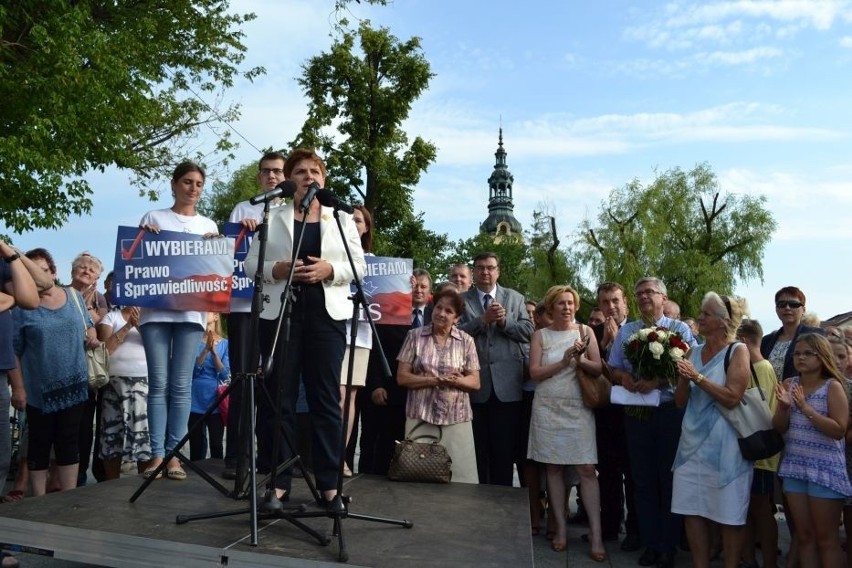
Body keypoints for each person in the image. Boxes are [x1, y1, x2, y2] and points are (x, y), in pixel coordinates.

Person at [244, 148, 365, 506]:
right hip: (282, 313)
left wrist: (330, 270)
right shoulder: (273, 214)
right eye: (300, 171)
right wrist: (276, 270)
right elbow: (252, 265)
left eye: (315, 171)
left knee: (325, 398)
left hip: (326, 313)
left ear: (324, 179)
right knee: (278, 395)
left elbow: (358, 267)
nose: (308, 176)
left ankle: (329, 484)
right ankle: (279, 481)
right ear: (289, 179)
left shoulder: (341, 218)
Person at [138, 161, 220, 481]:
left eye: (199, 183)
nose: (193, 188)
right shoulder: (153, 217)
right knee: (159, 383)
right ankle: (157, 454)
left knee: (181, 385)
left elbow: (215, 272)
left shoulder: (208, 224)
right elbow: (138, 261)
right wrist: (144, 239)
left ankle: (175, 456)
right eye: (187, 181)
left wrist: (217, 248)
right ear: (174, 184)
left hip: (191, 313)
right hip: (156, 311)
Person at [608, 277, 697, 568]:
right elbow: (614, 368)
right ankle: (650, 543)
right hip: (636, 412)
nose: (644, 296)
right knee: (642, 479)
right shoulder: (629, 331)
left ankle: (668, 545)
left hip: (670, 411)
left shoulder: (679, 329)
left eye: (649, 292)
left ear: (663, 296)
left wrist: (658, 380)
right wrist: (626, 379)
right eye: (639, 293)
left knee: (668, 479)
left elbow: (690, 367)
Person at [671, 293, 751, 568]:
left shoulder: (738, 351)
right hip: (691, 446)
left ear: (722, 321)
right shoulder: (692, 351)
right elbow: (680, 402)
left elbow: (732, 397)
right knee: (691, 510)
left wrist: (697, 377)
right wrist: (683, 379)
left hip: (726, 448)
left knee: (729, 515)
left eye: (706, 314)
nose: (700, 318)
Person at [222, 151, 286, 480]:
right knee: (242, 380)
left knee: (274, 384)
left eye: (278, 171)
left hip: (277, 307)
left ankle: (271, 457)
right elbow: (228, 249)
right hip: (244, 308)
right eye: (267, 172)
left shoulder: (293, 210)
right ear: (259, 177)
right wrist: (241, 231)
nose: (272, 177)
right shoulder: (244, 208)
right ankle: (236, 456)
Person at [528, 285, 605, 559]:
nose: (567, 307)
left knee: (586, 468)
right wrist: (563, 361)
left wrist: (581, 358)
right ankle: (559, 529)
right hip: (548, 407)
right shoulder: (540, 336)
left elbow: (598, 367)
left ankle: (596, 535)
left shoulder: (586, 332)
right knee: (554, 469)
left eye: (570, 303)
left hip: (579, 409)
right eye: (561, 303)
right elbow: (535, 372)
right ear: (551, 307)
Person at [11, 248, 97, 495]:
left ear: (53, 272)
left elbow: (88, 327)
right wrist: (18, 387)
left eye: (43, 270)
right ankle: (39, 499)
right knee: (39, 442)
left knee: (69, 442)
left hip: (75, 385)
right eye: (30, 272)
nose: (37, 277)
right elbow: (14, 351)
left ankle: (67, 498)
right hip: (39, 390)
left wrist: (92, 336)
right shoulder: (22, 307)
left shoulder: (73, 296)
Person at [773, 333, 851, 568]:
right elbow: (779, 426)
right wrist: (784, 408)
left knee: (826, 539)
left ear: (821, 356)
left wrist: (806, 408)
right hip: (795, 466)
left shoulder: (833, 387)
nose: (801, 358)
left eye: (808, 353)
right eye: (797, 353)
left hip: (825, 469)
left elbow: (838, 430)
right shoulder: (789, 384)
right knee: (804, 537)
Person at [457, 252, 534, 486]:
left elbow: (528, 332)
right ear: (474, 272)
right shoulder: (462, 300)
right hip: (475, 386)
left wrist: (504, 322)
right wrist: (483, 320)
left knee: (503, 454)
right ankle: (479, 506)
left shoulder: (515, 298)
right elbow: (455, 335)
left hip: (508, 387)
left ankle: (503, 505)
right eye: (480, 268)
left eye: (490, 267)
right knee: (478, 452)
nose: (485, 272)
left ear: (498, 271)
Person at [396, 287, 480, 483]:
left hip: (457, 419)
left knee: (461, 482)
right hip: (420, 417)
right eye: (439, 308)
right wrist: (434, 380)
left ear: (457, 318)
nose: (442, 313)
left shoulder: (466, 341)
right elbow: (402, 378)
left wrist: (456, 380)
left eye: (449, 311)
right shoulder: (414, 336)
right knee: (417, 476)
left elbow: (475, 382)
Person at [359, 269, 431, 475]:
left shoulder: (436, 315)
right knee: (379, 444)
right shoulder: (388, 313)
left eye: (423, 286)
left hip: (421, 395)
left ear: (429, 291)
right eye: (414, 285)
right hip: (389, 391)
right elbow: (374, 350)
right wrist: (376, 385)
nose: (418, 290)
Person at [590, 282, 639, 550]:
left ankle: (635, 530)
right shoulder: (593, 332)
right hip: (604, 410)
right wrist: (605, 342)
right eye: (605, 302)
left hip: (633, 411)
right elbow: (588, 371)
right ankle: (609, 526)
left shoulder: (639, 331)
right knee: (606, 472)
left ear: (625, 303)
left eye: (615, 301)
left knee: (633, 474)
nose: (611, 307)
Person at [738, 319, 781, 568]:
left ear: (743, 342)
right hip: (749, 450)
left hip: (760, 452)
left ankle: (769, 561)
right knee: (748, 509)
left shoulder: (762, 367)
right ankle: (749, 558)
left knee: (761, 508)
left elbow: (760, 409)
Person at [339, 204, 374, 477]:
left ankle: (339, 456)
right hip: (332, 331)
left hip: (360, 337)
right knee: (332, 395)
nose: (354, 223)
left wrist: (401, 289)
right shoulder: (332, 255)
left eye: (359, 220)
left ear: (366, 228)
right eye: (349, 219)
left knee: (348, 397)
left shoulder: (376, 264)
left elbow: (387, 304)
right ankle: (329, 454)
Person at [96, 305, 151, 479]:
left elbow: (157, 349)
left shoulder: (151, 318)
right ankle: (111, 483)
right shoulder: (111, 318)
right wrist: (127, 326)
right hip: (114, 385)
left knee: (144, 435)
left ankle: (144, 482)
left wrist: (140, 325)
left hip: (144, 385)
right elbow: (104, 351)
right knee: (112, 435)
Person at [69, 251, 109, 486]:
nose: (86, 271)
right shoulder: (61, 292)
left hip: (85, 373)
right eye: (82, 267)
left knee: (83, 425)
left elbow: (97, 322)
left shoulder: (99, 299)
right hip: (59, 366)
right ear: (73, 270)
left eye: (91, 269)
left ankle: (80, 473)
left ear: (96, 278)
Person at [187, 312, 230, 461]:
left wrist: (214, 353)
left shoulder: (225, 344)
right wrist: (205, 350)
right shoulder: (193, 342)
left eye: (210, 311)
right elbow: (192, 371)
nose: (205, 314)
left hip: (215, 400)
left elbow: (224, 374)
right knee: (196, 445)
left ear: (217, 316)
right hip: (195, 399)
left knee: (217, 445)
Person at [761, 287, 823, 383]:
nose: (787, 308)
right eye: (782, 304)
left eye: (794, 304)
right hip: (768, 395)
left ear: (803, 310)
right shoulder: (766, 341)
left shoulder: (816, 336)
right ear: (776, 309)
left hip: (801, 394)